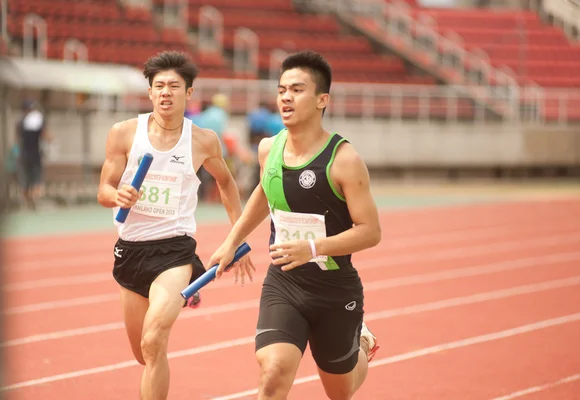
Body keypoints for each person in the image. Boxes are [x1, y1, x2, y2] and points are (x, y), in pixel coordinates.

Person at [207, 50, 381, 400]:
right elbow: (265, 191)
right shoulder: (269, 149)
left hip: (334, 288)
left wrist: (313, 248)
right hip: (285, 282)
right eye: (282, 89)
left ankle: (361, 341)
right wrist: (232, 241)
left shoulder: (344, 160)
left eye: (297, 89)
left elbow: (371, 231)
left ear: (322, 100)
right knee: (272, 376)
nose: (286, 97)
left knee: (341, 389)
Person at [96, 51, 254, 400]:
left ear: (189, 93)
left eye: (174, 86)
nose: (165, 92)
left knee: (153, 341)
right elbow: (103, 191)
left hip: (174, 250)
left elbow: (226, 184)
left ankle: (185, 287)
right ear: (150, 92)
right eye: (159, 86)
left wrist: (236, 236)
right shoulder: (123, 134)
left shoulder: (203, 141)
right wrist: (117, 195)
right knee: (143, 353)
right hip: (130, 250)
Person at [16, 100, 51, 210]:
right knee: (30, 183)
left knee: (33, 182)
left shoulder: (22, 123)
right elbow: (47, 136)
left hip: (28, 155)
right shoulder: (34, 122)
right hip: (31, 156)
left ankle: (32, 203)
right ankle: (31, 203)